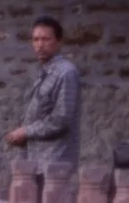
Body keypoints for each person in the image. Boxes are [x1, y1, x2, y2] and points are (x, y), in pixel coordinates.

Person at [7, 15, 82, 176]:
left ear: (59, 41)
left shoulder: (66, 73)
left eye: (45, 39)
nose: (40, 45)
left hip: (55, 164)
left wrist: (26, 131)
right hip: (38, 162)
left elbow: (62, 119)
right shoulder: (45, 72)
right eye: (35, 39)